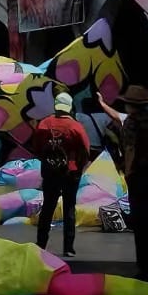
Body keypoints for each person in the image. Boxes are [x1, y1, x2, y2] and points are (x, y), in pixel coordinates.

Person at [99, 86, 148, 286]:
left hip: (139, 177)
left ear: (131, 105)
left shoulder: (131, 124)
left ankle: (147, 268)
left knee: (141, 223)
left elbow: (130, 150)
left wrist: (128, 172)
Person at [32, 91, 90, 259]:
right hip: (70, 172)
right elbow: (85, 150)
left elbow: (36, 147)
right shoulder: (75, 127)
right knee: (69, 208)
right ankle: (69, 247)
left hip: (50, 172)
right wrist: (80, 166)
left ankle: (41, 243)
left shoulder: (44, 124)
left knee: (48, 207)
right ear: (70, 107)